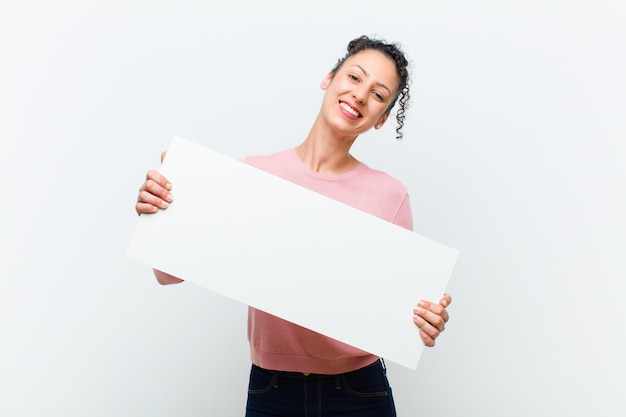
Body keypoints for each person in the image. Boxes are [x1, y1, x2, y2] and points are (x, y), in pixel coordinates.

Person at [135, 35, 452, 417]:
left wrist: (425, 319)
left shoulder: (391, 196)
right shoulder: (252, 175)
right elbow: (168, 274)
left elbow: (403, 311)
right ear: (329, 78)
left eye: (379, 94)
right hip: (273, 389)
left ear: (382, 118)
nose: (361, 95)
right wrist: (162, 211)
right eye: (354, 77)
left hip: (358, 392)